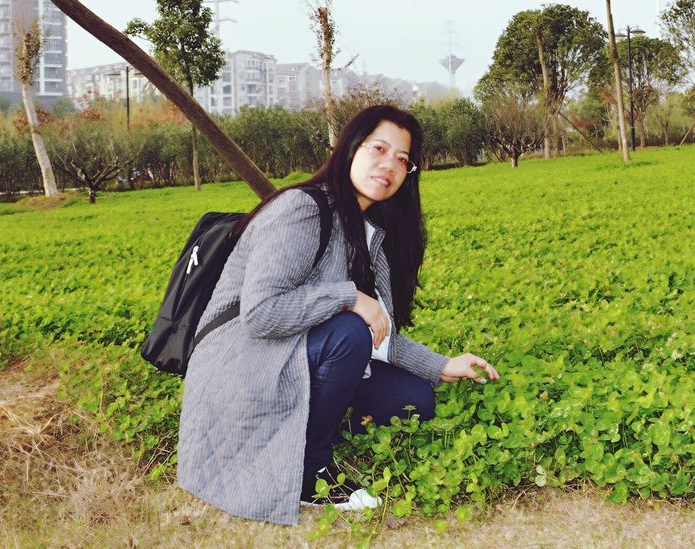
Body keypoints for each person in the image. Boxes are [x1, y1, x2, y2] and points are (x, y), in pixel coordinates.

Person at [177, 104, 499, 525]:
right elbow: (260, 315)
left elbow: (380, 332)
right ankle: (312, 473)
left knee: (413, 400)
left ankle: (303, 428)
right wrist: (348, 297)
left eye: (403, 159)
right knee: (349, 330)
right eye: (379, 149)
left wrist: (441, 366)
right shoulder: (302, 209)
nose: (391, 165)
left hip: (298, 351)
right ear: (350, 148)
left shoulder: (370, 232)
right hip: (243, 361)